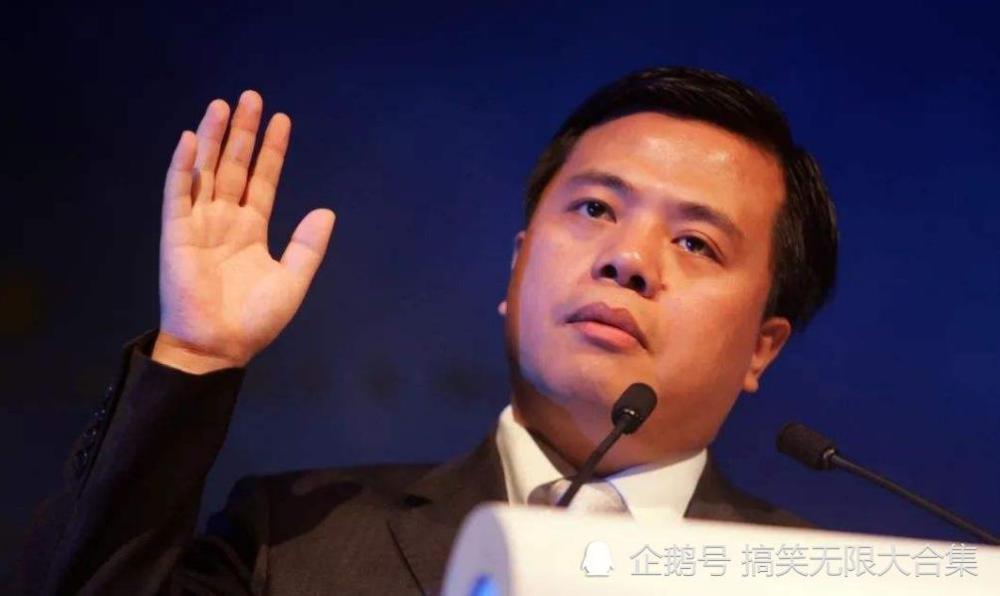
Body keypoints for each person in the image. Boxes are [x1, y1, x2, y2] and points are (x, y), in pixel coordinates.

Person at [18, 66, 837, 595]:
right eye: (594, 208)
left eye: (694, 242)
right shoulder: (295, 540)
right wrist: (195, 356)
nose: (627, 259)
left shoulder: (824, 581)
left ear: (762, 346)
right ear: (516, 268)